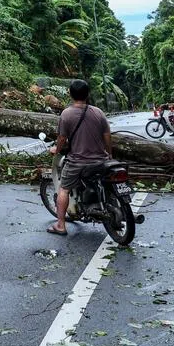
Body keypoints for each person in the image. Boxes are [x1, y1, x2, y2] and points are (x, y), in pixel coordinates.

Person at [47, 79, 111, 236]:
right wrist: (109, 154)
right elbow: (107, 136)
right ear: (88, 94)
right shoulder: (98, 112)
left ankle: (60, 225)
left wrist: (57, 150)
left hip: (78, 162)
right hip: (101, 160)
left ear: (70, 94)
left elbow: (62, 138)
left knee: (64, 189)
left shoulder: (66, 114)